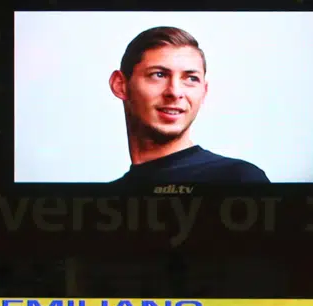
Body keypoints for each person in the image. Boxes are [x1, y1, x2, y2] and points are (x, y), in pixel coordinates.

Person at [108, 26, 269, 187]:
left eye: (191, 78)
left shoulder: (239, 180)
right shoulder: (105, 197)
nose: (175, 92)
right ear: (120, 85)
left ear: (204, 92)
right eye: (159, 75)